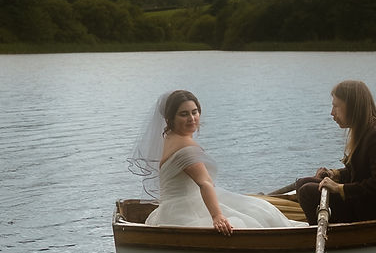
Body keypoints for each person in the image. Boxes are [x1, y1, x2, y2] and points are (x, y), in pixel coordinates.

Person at [128, 89, 306, 231]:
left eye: (194, 112)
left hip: (170, 207)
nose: (191, 118)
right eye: (184, 114)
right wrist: (217, 216)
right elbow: (204, 183)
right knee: (256, 214)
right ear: (170, 118)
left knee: (258, 207)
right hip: (184, 210)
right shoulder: (186, 148)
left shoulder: (169, 137)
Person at [295, 79, 376, 224]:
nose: (332, 113)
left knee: (307, 192)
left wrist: (339, 188)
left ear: (352, 107)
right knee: (302, 183)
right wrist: (336, 174)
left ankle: (324, 239)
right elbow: (363, 172)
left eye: (336, 106)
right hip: (369, 205)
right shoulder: (367, 131)